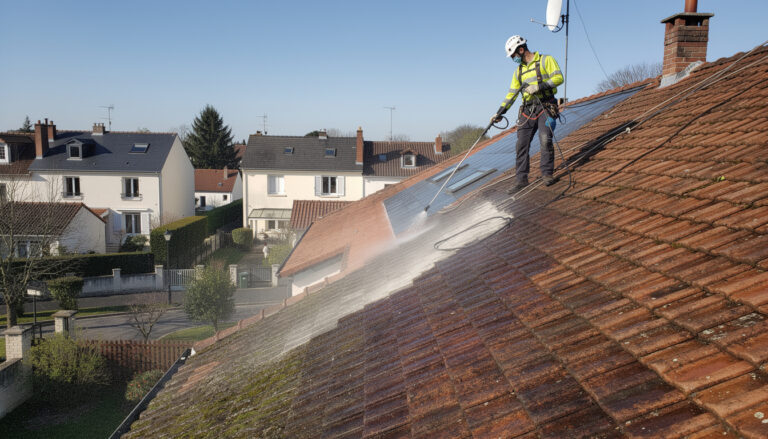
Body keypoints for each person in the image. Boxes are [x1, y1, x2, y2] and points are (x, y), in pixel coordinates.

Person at [491, 35, 564, 191]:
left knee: (545, 139)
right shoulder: (518, 72)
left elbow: (558, 77)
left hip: (546, 106)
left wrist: (539, 86)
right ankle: (521, 180)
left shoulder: (546, 60)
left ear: (521, 49)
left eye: (513, 56)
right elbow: (511, 94)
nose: (513, 59)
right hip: (528, 110)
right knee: (521, 145)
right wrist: (499, 113)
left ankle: (547, 173)